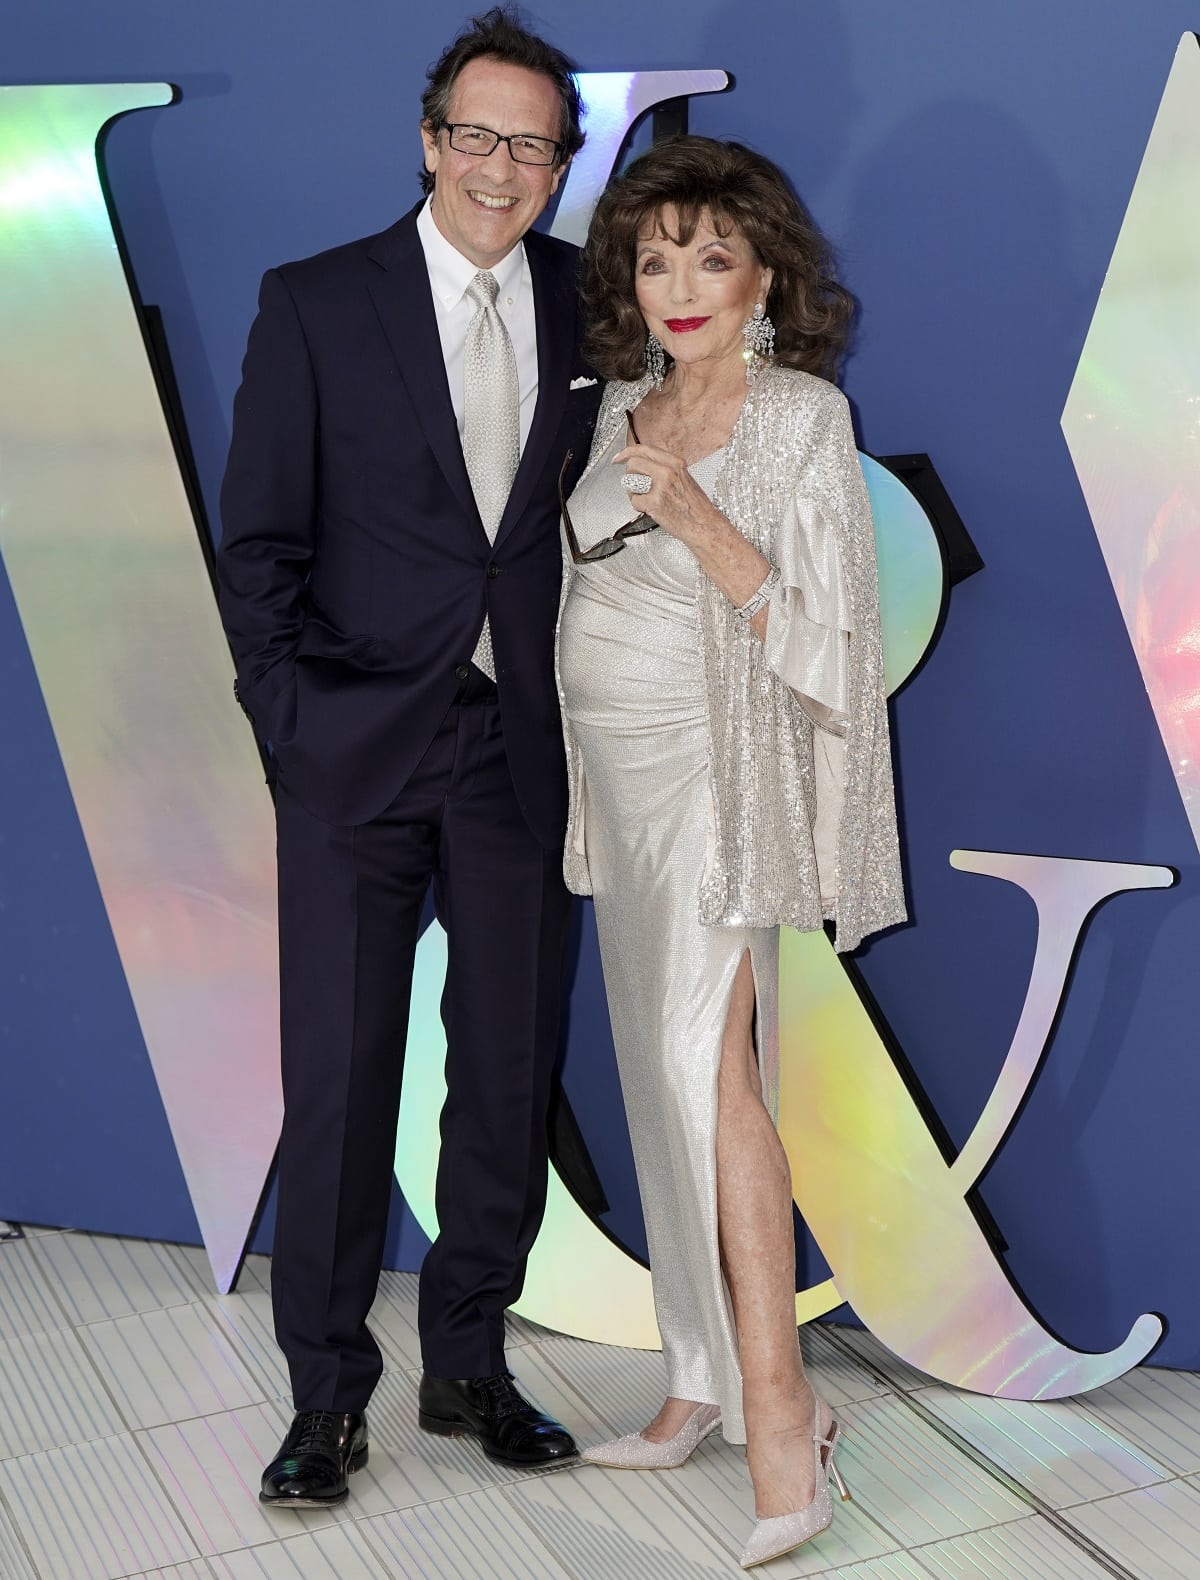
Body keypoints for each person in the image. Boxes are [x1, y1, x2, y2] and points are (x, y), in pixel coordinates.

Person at [217, 7, 603, 1507]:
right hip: (354, 759)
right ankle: (324, 1398)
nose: (505, 166)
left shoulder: (595, 308)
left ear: (560, 164)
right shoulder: (316, 302)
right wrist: (295, 727)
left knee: (506, 1081)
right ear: (429, 139)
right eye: (480, 134)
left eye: (535, 144)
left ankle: (469, 1365)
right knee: (341, 1089)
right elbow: (258, 543)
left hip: (523, 756)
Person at [556, 136, 905, 1568]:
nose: (680, 285)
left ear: (766, 272)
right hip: (617, 781)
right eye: (654, 258)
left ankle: (782, 1415)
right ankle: (697, 1371)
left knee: (711, 1075)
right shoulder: (617, 407)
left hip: (717, 772)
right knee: (656, 1066)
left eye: (710, 255)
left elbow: (838, 642)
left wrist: (699, 521)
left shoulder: (801, 418)